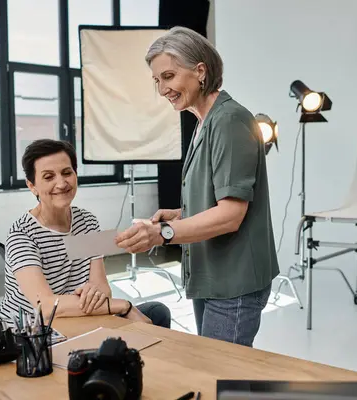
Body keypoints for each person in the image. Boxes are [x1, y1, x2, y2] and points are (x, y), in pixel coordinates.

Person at [114, 26, 279, 347]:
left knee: (222, 380)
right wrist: (179, 215)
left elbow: (231, 215)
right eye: (157, 81)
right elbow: (218, 197)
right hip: (212, 276)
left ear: (200, 71)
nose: (162, 89)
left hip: (234, 282)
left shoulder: (229, 120)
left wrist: (162, 233)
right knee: (213, 371)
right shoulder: (205, 121)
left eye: (169, 76)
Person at [0, 139, 171, 329]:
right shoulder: (21, 235)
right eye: (48, 177)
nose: (61, 183)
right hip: (33, 334)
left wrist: (95, 294)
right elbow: (45, 306)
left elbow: (103, 290)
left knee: (158, 312)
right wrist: (125, 306)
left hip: (80, 318)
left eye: (66, 173)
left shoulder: (87, 222)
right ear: (32, 186)